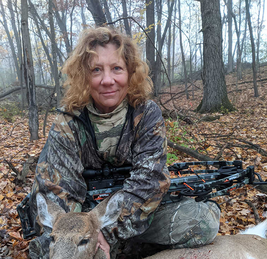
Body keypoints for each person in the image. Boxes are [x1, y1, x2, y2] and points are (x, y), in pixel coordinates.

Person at [28, 27, 220, 259]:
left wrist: (106, 232)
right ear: (84, 75)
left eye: (117, 68)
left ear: (130, 72)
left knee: (202, 224)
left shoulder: (146, 114)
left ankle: (124, 246)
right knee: (44, 250)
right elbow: (55, 190)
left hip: (130, 214)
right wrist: (86, 233)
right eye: (96, 70)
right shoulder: (68, 121)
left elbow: (149, 182)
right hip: (82, 220)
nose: (107, 80)